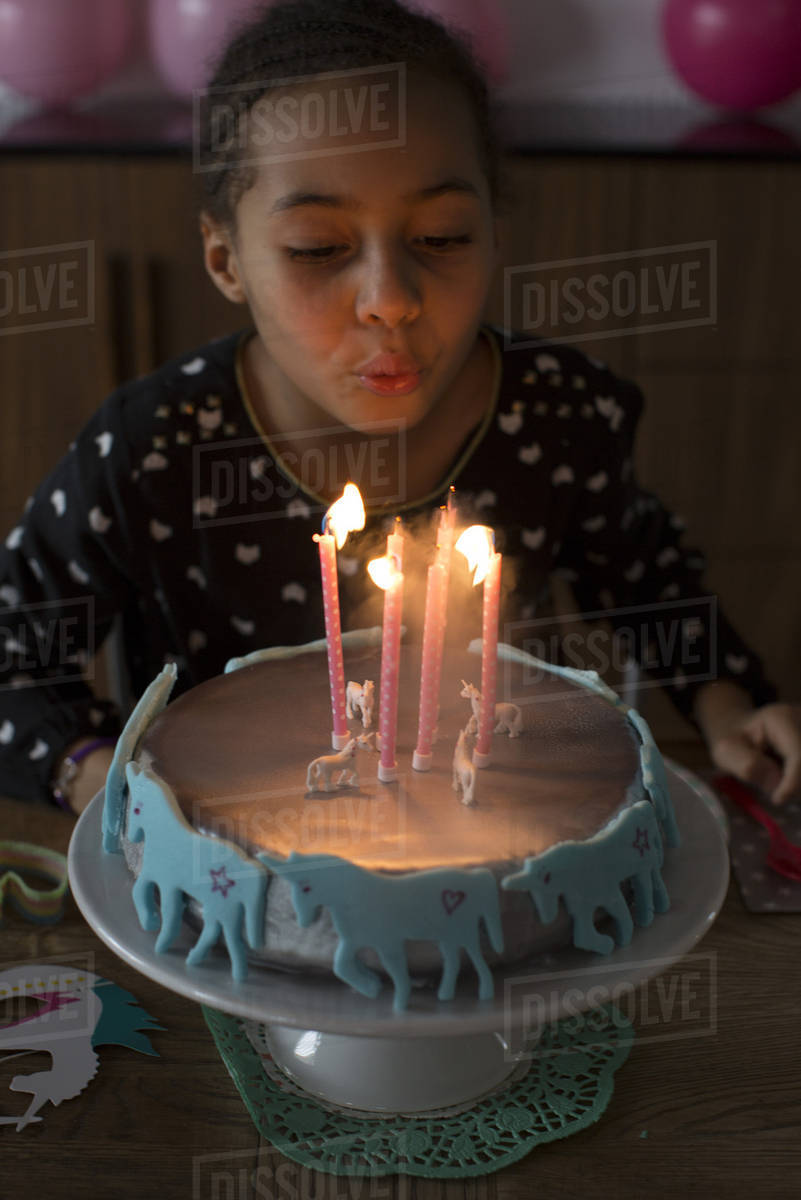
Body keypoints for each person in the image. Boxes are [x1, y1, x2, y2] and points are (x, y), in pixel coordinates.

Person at [1, 0, 798, 816]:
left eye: (443, 236)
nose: (390, 300)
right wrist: (94, 769)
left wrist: (729, 708)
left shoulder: (556, 415)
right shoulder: (153, 449)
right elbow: (14, 653)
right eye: (317, 248)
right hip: (220, 885)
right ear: (225, 259)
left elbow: (647, 583)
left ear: (493, 229)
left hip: (483, 839)